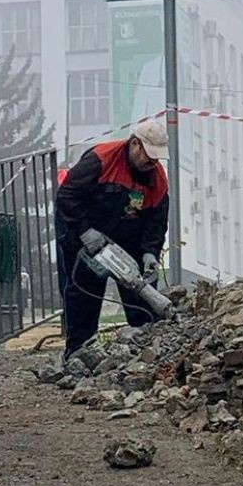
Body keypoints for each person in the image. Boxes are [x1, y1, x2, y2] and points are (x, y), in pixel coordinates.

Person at [55, 118, 170, 359]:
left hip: (129, 236)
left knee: (142, 291)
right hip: (83, 234)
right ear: (135, 144)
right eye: (149, 156)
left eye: (157, 158)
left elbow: (157, 220)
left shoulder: (157, 178)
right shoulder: (101, 159)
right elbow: (68, 196)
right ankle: (78, 353)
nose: (152, 163)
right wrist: (85, 232)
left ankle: (146, 347)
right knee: (83, 293)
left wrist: (150, 251)